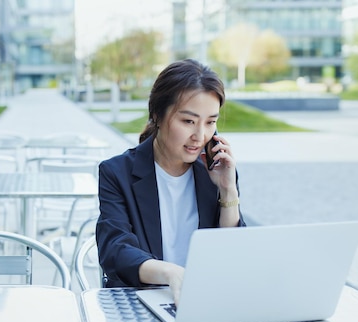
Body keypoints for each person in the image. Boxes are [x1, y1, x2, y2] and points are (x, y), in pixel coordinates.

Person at [96, 59, 246, 303]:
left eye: (210, 122)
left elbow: (232, 255)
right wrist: (170, 273)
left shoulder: (217, 172)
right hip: (141, 303)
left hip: (206, 301)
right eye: (188, 121)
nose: (200, 136)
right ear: (157, 114)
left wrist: (228, 192)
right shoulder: (117, 173)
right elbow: (115, 250)